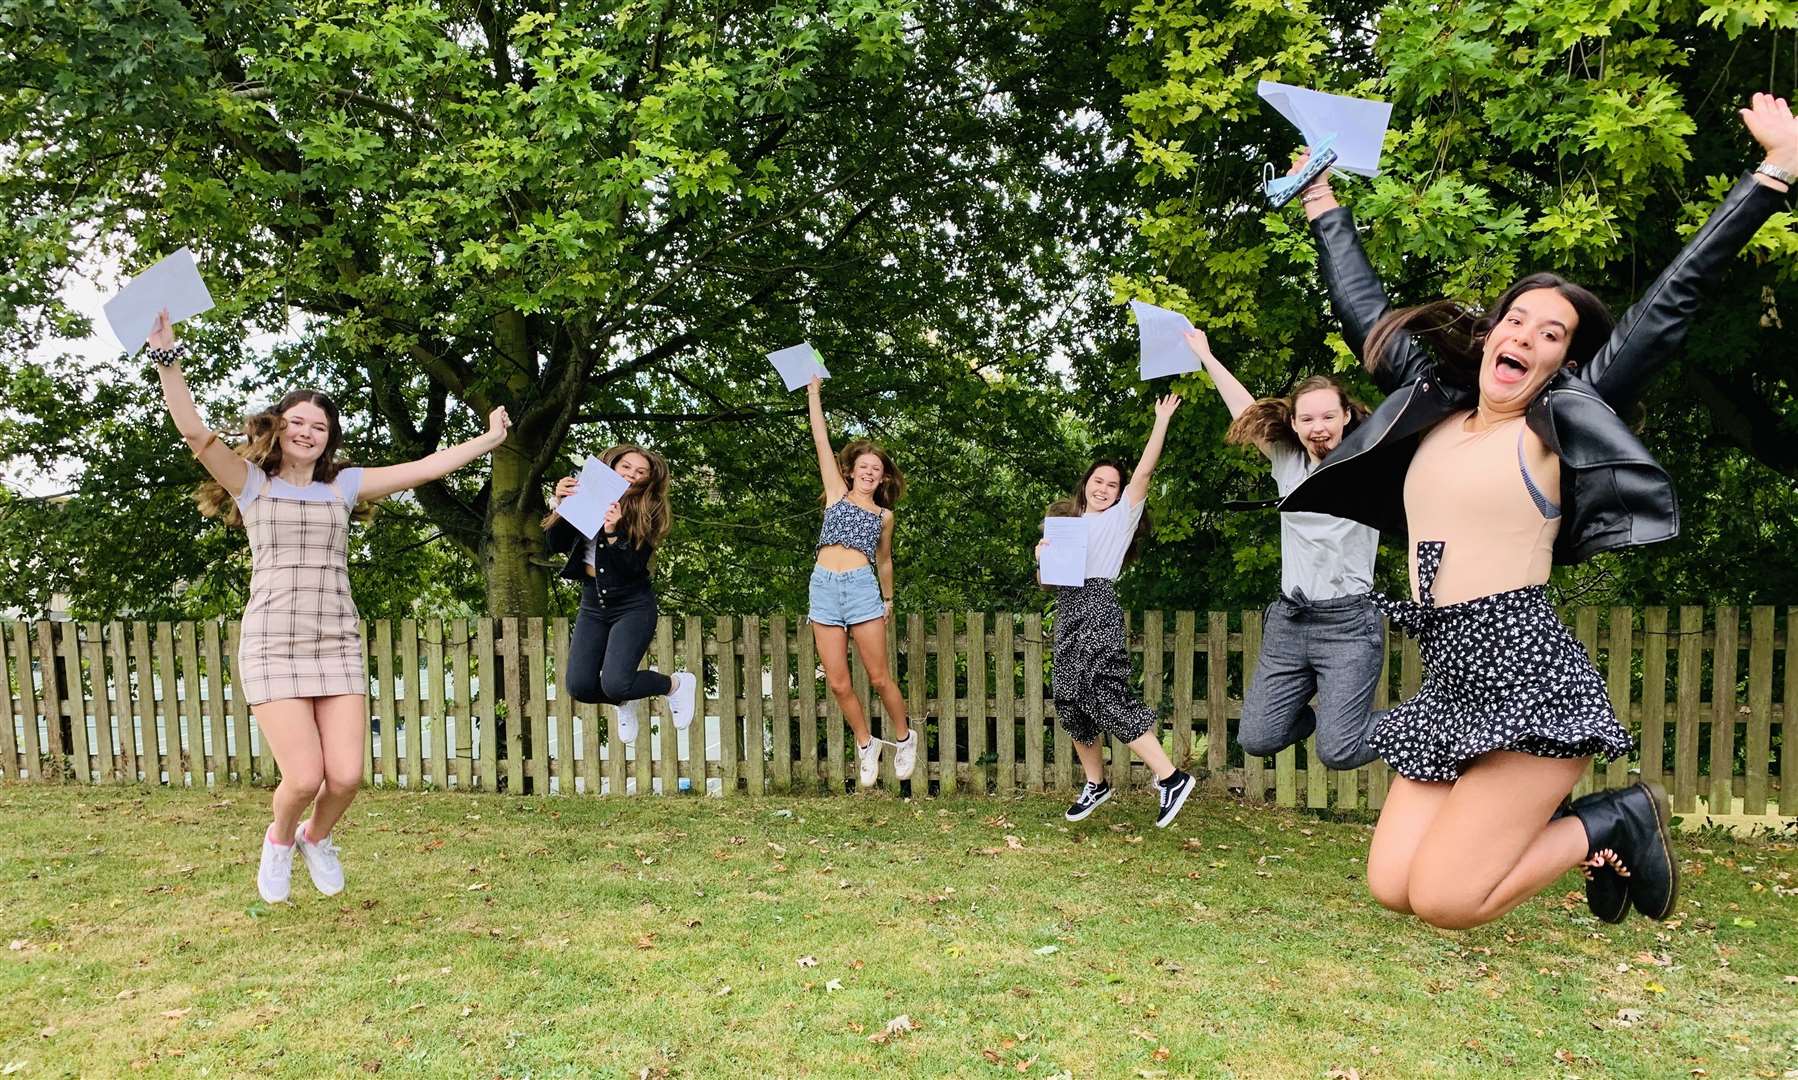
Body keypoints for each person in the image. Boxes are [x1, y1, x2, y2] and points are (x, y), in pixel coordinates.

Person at [1280, 93, 1798, 929]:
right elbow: (1366, 317)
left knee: (1449, 899)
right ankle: (1593, 837)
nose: (1526, 335)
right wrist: (1320, 198)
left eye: (1551, 333)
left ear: (1565, 360)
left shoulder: (1552, 429)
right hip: (1450, 669)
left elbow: (1666, 309)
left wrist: (1772, 174)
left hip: (1525, 673)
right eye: (1515, 319)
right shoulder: (1434, 412)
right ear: (1489, 337)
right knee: (1392, 884)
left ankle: (1616, 817)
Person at [149, 310, 509, 903]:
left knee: (345, 777)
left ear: (329, 437)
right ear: (278, 428)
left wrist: (489, 440)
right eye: (297, 422)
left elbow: (422, 469)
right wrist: (167, 357)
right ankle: (280, 840)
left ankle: (318, 837)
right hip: (272, 642)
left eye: (319, 425)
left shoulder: (341, 487)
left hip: (336, 640)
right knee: (304, 775)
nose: (308, 432)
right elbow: (194, 432)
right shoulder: (250, 482)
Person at [1182, 328, 1384, 772]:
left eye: (1328, 417)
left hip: (1348, 624)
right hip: (1290, 621)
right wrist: (1206, 355)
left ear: (1346, 416)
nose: (1319, 428)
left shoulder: (1370, 464)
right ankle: (1329, 719)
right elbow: (1245, 409)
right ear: (1294, 424)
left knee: (1338, 751)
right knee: (1257, 738)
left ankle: (1428, 719)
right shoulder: (1287, 461)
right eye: (1308, 419)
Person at [1039, 395, 1197, 828]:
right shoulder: (1064, 523)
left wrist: (1161, 420)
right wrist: (1043, 557)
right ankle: (1096, 783)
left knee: (1104, 694)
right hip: (1068, 608)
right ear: (1085, 483)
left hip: (1098, 605)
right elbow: (1048, 583)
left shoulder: (1120, 519)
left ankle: (1171, 777)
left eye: (1112, 484)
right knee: (1069, 699)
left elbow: (1144, 470)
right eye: (1098, 481)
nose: (1104, 488)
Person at [544, 445, 697, 746]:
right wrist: (561, 504)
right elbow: (555, 544)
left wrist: (613, 533)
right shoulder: (586, 496)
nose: (632, 475)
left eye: (641, 472)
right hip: (593, 603)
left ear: (648, 480)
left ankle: (676, 684)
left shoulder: (648, 510)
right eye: (626, 467)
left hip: (632, 605)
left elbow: (632, 568)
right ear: (612, 466)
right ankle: (623, 702)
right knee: (580, 686)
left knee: (616, 683)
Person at [805, 375, 916, 788]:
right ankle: (866, 743)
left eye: (877, 469)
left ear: (883, 478)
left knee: (879, 677)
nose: (870, 472)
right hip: (823, 587)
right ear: (851, 471)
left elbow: (884, 561)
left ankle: (904, 738)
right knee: (837, 680)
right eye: (864, 466)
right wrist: (814, 394)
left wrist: (888, 599)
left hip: (861, 589)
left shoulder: (884, 516)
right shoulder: (835, 494)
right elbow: (820, 440)